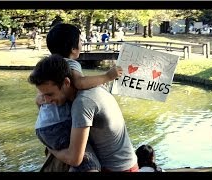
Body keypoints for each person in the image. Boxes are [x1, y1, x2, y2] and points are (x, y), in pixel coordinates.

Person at [34, 23, 124, 172]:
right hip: (58, 126)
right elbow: (80, 82)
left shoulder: (48, 67)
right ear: (73, 48)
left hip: (43, 126)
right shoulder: (70, 64)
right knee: (89, 165)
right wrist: (108, 76)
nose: (82, 44)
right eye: (81, 41)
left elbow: (39, 101)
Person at [29, 54, 138, 172]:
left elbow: (75, 158)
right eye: (43, 94)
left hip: (117, 169)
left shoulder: (82, 103)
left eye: (50, 94)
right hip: (126, 162)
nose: (47, 101)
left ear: (66, 82)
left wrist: (51, 148)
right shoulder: (90, 88)